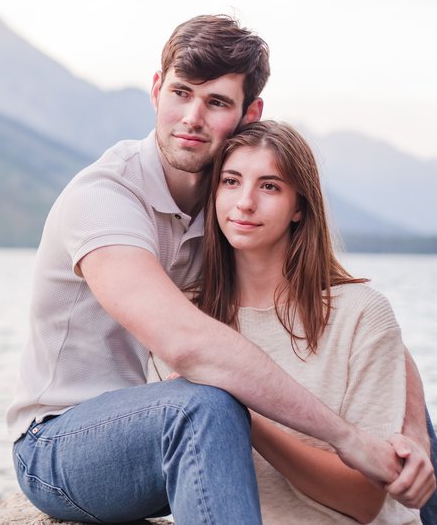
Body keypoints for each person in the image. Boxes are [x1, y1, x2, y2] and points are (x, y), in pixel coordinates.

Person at [7, 15, 437, 523]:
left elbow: (374, 335)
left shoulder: (230, 200)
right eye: (181, 93)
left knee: (384, 395)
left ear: (250, 113)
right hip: (63, 443)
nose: (191, 117)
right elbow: (186, 345)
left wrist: (412, 436)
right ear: (157, 89)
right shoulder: (105, 200)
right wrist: (346, 439)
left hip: (175, 430)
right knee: (207, 403)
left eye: (217, 102)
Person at [150, 121, 421, 523]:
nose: (245, 202)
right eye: (231, 181)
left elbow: (364, 500)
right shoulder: (183, 318)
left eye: (269, 186)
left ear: (299, 207)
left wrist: (238, 410)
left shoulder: (360, 313)